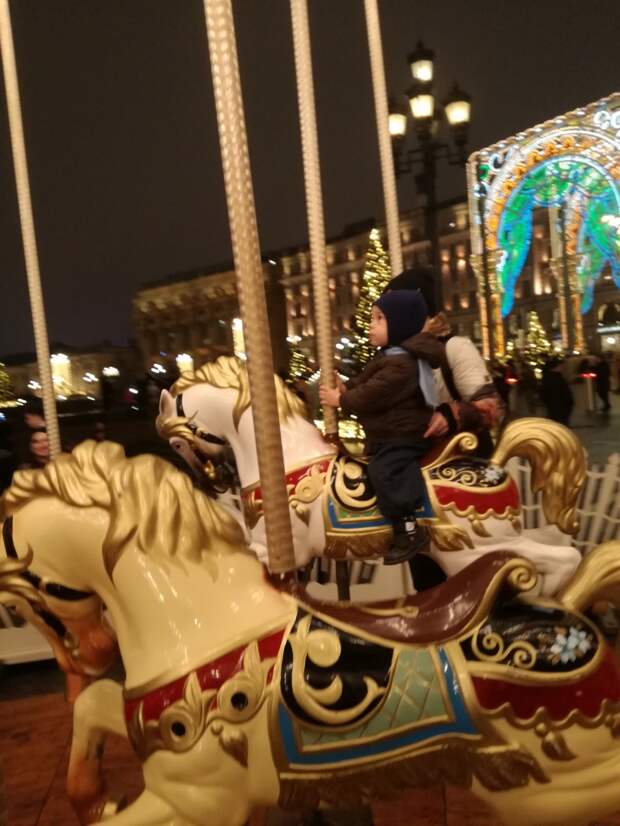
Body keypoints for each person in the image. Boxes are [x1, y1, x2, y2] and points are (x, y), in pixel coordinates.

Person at [320, 289, 442, 565]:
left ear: (399, 325)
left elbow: (371, 395)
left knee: (384, 470)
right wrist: (346, 387)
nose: (371, 325)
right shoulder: (389, 357)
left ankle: (408, 528)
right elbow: (365, 382)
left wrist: (341, 400)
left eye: (379, 319)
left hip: (403, 435)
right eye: (372, 318)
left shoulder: (402, 365)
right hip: (388, 433)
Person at [384, 268, 504, 456]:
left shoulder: (455, 348)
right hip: (412, 458)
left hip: (459, 457)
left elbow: (490, 409)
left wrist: (451, 415)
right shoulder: (393, 355)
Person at [540, 357, 574, 426]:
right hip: (559, 407)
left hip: (556, 407)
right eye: (561, 366)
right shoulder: (556, 379)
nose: (563, 368)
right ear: (556, 367)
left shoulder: (548, 377)